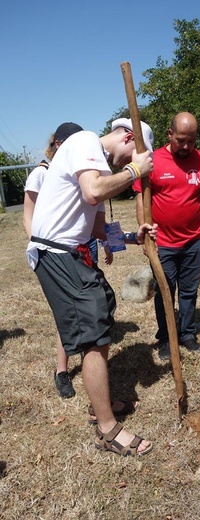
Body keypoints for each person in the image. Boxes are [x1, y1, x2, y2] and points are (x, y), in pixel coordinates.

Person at [26, 119, 156, 457]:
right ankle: (108, 429)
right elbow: (93, 191)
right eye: (136, 152)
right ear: (129, 138)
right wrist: (134, 171)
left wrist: (130, 236)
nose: (133, 161)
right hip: (58, 253)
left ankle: (102, 405)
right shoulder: (85, 142)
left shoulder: (93, 164)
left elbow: (96, 225)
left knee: (100, 321)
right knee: (94, 336)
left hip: (72, 252)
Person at [134, 112, 200, 361]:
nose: (185, 146)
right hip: (163, 244)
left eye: (190, 141)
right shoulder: (152, 161)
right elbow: (141, 197)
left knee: (189, 292)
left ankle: (186, 334)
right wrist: (145, 233)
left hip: (194, 241)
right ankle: (165, 337)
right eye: (180, 140)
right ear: (170, 134)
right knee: (164, 292)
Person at [23, 124, 84, 399]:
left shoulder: (77, 169)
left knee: (86, 306)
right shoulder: (41, 174)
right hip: (53, 250)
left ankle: (90, 355)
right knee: (66, 312)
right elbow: (29, 214)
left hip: (81, 245)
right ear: (58, 144)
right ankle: (62, 370)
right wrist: (40, 250)